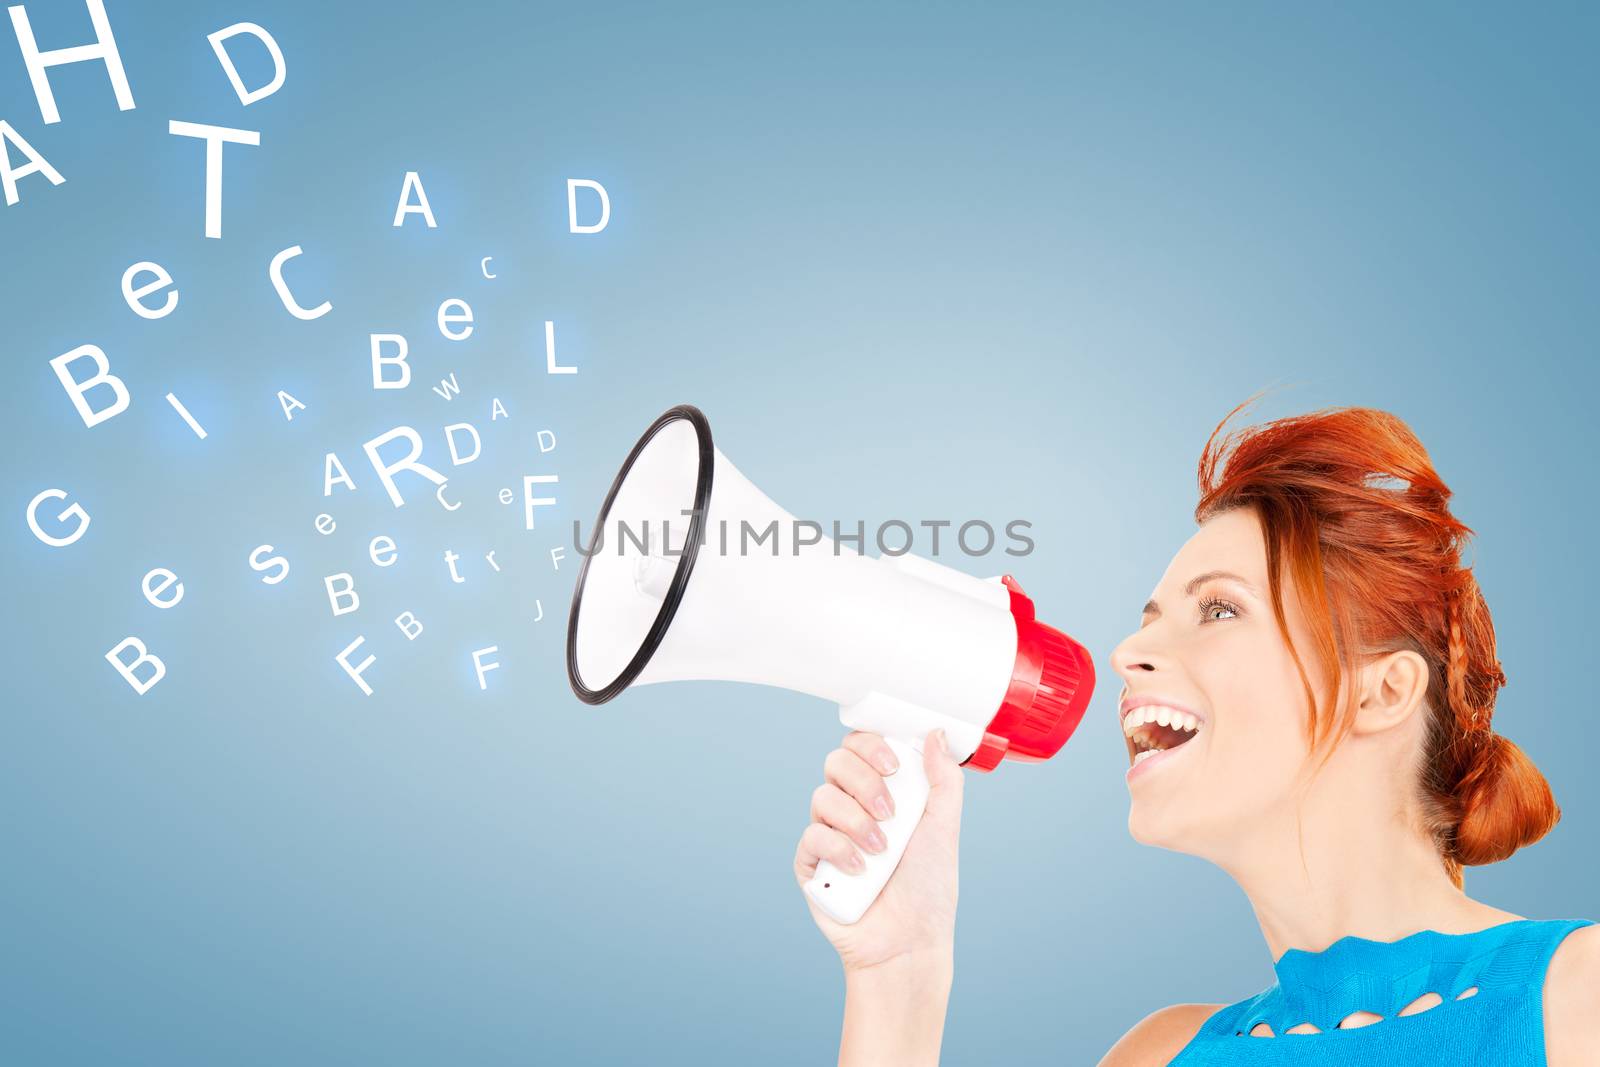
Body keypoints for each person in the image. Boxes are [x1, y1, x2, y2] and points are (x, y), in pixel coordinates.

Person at [792, 403, 1598, 1065]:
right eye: (1149, 620)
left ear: (1379, 692)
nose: (1128, 652)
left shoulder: (1577, 996)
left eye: (1219, 609)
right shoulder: (1161, 1053)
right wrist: (899, 981)